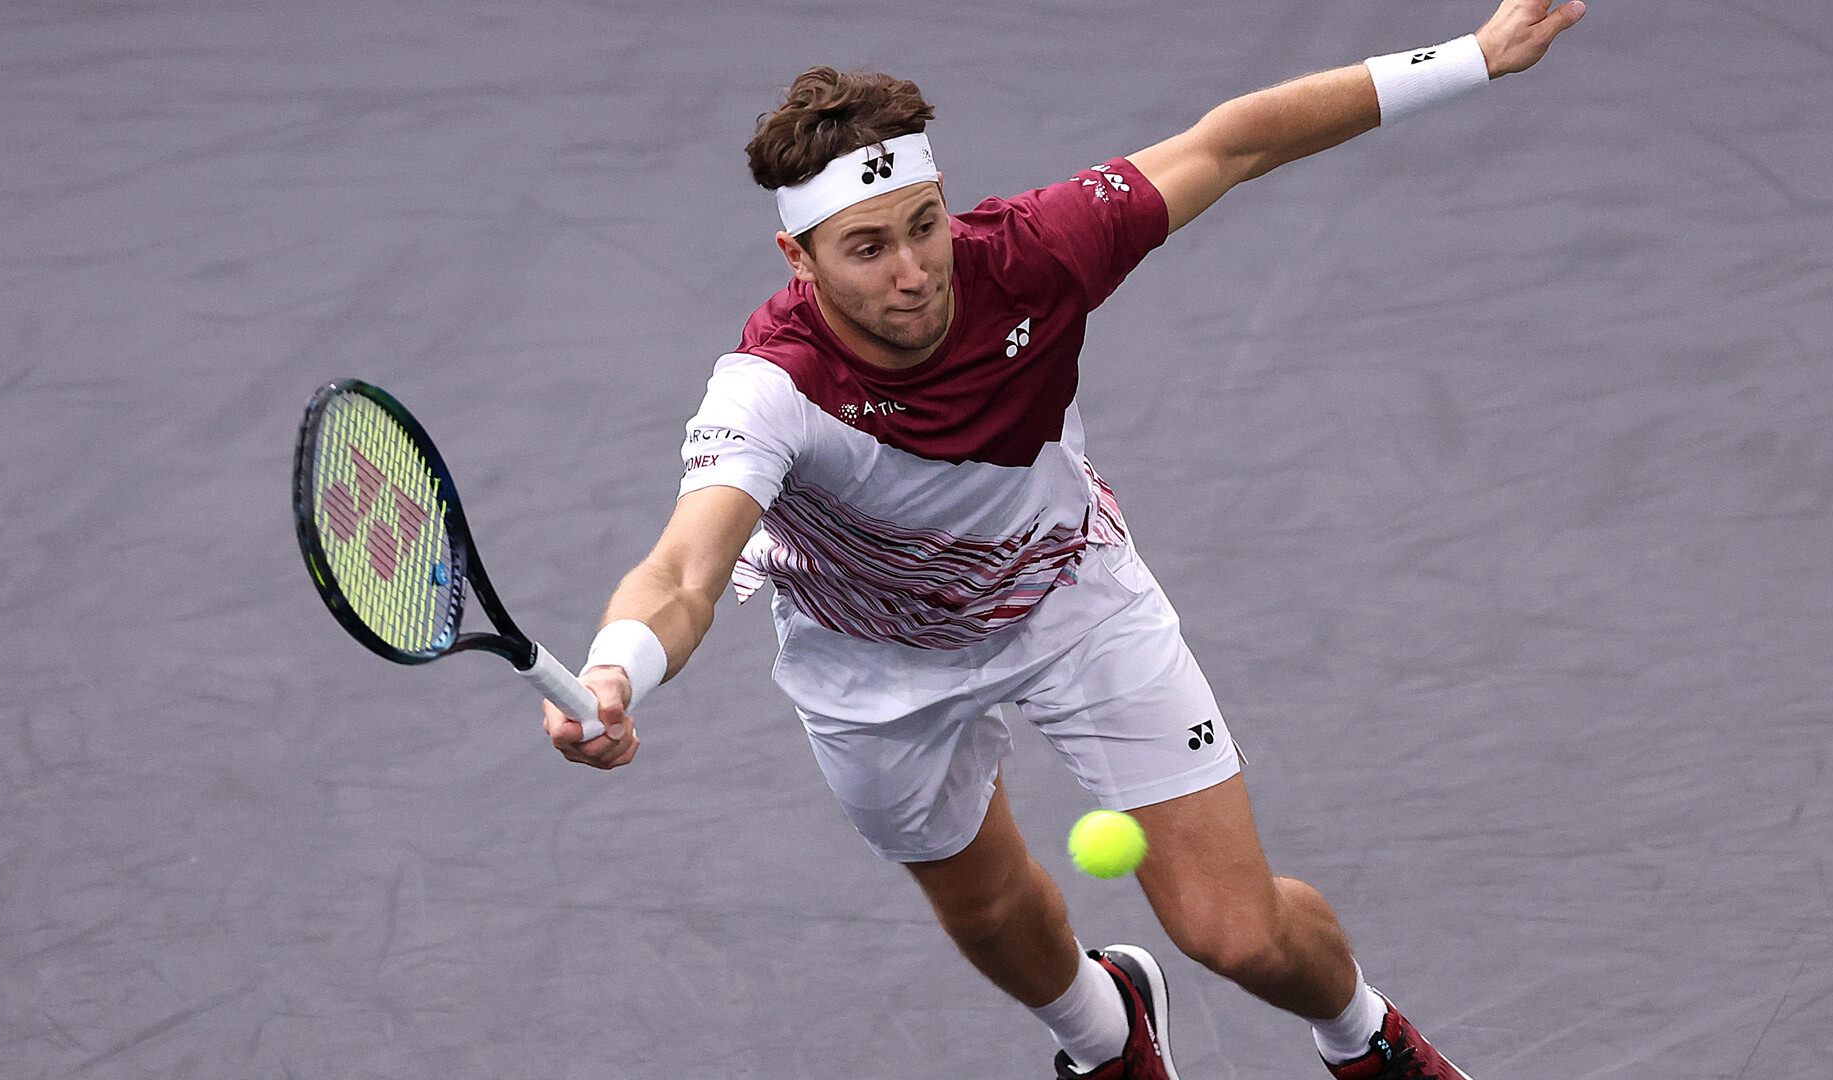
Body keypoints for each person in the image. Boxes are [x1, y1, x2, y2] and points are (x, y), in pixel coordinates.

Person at [544, 2, 1585, 1075]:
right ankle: (1108, 1036)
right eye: (866, 248)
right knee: (989, 911)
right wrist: (619, 671)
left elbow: (1233, 141)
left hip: (1069, 601)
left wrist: (1472, 58)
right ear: (798, 258)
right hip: (871, 658)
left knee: (1236, 932)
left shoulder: (1036, 255)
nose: (913, 272)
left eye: (925, 224)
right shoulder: (769, 390)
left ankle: (1366, 1039)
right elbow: (682, 567)